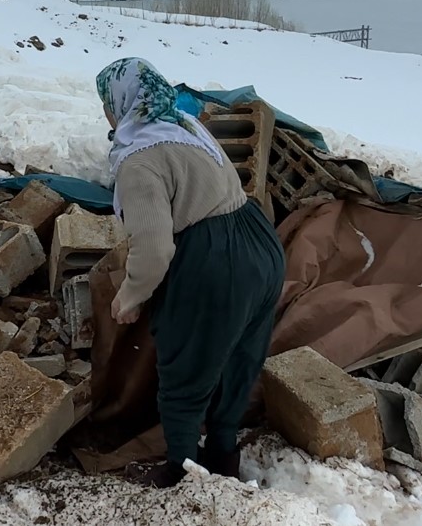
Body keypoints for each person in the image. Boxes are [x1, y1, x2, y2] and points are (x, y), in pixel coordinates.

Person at [95, 57, 286, 489]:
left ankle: (182, 472)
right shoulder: (182, 123)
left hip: (216, 261)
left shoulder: (138, 160)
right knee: (237, 361)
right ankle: (222, 457)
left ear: (120, 103)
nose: (106, 114)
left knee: (185, 369)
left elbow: (154, 249)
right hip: (259, 243)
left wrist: (130, 297)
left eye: (106, 104)